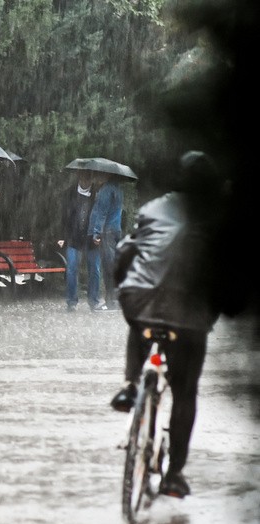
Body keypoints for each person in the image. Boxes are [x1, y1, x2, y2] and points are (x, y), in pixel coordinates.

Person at [109, 151, 233, 498]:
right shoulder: (217, 218)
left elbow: (125, 253)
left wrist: (123, 288)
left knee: (138, 323)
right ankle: (174, 474)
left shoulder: (153, 208)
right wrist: (210, 316)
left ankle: (130, 386)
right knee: (185, 392)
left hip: (139, 300)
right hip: (189, 317)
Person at [57, 169, 100, 312]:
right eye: (83, 177)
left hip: (92, 238)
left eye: (88, 178)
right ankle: (71, 301)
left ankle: (93, 300)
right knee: (71, 269)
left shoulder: (97, 194)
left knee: (94, 270)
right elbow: (63, 216)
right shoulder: (69, 193)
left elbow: (101, 216)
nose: (85, 181)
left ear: (92, 179)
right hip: (73, 237)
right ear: (79, 177)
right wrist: (62, 236)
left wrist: (99, 234)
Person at [88, 171, 124, 311]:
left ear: (107, 175)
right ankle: (116, 300)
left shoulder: (106, 190)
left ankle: (111, 302)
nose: (96, 177)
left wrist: (96, 232)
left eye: (99, 174)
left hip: (107, 231)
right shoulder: (118, 189)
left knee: (108, 266)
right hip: (116, 229)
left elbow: (102, 212)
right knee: (114, 265)